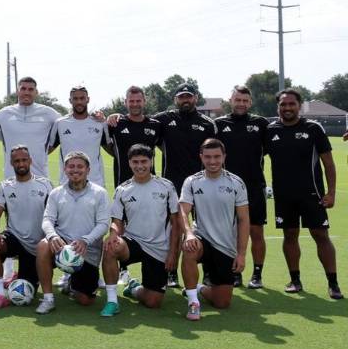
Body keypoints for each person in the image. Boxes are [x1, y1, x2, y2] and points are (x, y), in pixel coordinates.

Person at [108, 83, 215, 288]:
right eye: (181, 96)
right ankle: (168, 272)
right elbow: (111, 139)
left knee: (201, 227)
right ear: (175, 99)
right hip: (169, 182)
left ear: (195, 98)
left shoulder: (205, 123)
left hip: (199, 183)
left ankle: (208, 272)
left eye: (189, 96)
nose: (185, 100)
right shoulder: (164, 120)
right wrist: (112, 115)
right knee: (166, 228)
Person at [265, 89, 339, 299]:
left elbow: (329, 164)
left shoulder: (313, 128)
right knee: (289, 235)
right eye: (283, 104)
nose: (287, 108)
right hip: (283, 195)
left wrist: (331, 192)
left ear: (299, 105)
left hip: (312, 194)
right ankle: (295, 280)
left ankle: (333, 283)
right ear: (278, 107)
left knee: (320, 235)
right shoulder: (270, 130)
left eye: (291, 104)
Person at [99, 144, 182, 316]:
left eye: (144, 161)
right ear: (129, 163)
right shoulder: (123, 189)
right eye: (135, 162)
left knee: (153, 302)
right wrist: (113, 233)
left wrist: (173, 253)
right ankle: (112, 301)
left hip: (159, 247)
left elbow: (176, 222)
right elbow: (117, 221)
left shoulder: (166, 186)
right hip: (133, 243)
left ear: (151, 162)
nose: (140, 166)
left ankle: (134, 288)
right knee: (111, 246)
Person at [179, 138, 250, 320]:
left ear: (224, 156)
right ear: (201, 157)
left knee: (222, 303)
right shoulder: (192, 181)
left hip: (225, 246)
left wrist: (241, 254)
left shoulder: (236, 183)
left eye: (217, 157)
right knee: (189, 248)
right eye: (208, 157)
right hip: (201, 238)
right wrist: (188, 233)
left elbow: (243, 219)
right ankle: (193, 302)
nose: (212, 161)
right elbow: (183, 210)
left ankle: (198, 288)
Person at [35, 151, 110, 314]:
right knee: (43, 245)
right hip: (61, 245)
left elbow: (104, 224)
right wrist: (52, 236)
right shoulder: (56, 193)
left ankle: (71, 285)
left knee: (86, 300)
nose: (75, 170)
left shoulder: (100, 193)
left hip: (86, 250)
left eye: (80, 166)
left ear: (88, 170)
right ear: (65, 169)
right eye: (71, 166)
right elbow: (47, 219)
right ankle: (48, 299)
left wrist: (85, 240)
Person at [215, 85, 271, 288]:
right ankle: (235, 272)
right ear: (231, 100)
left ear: (250, 102)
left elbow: (270, 150)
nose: (241, 104)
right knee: (230, 232)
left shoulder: (261, 124)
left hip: (254, 186)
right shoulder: (219, 124)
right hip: (226, 187)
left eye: (245, 100)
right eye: (237, 100)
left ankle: (257, 274)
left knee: (256, 231)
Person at [0, 145, 52, 309]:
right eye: (17, 161)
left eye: (24, 160)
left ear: (30, 161)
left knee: (26, 294)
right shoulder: (5, 186)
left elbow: (54, 215)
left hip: (37, 246)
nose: (21, 163)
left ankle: (21, 276)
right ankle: (0, 295)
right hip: (14, 238)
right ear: (11, 163)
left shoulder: (45, 185)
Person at [0, 77, 60, 180]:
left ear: (36, 92)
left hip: (40, 178)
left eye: (30, 89)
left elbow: (66, 124)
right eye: (23, 89)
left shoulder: (48, 113)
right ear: (18, 91)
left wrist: (49, 148)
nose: (27, 92)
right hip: (11, 178)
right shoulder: (5, 113)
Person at [48, 85, 110, 189]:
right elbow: (48, 150)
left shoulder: (100, 123)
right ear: (70, 100)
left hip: (95, 184)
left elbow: (111, 150)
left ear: (88, 99)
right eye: (75, 99)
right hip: (67, 183)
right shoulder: (60, 124)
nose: (79, 102)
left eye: (82, 98)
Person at [105, 85, 161, 187]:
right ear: (125, 102)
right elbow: (105, 144)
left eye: (138, 101)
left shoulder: (156, 125)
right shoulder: (115, 124)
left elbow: (162, 146)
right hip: (123, 184)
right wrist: (117, 154)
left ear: (144, 101)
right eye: (131, 101)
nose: (135, 104)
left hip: (150, 184)